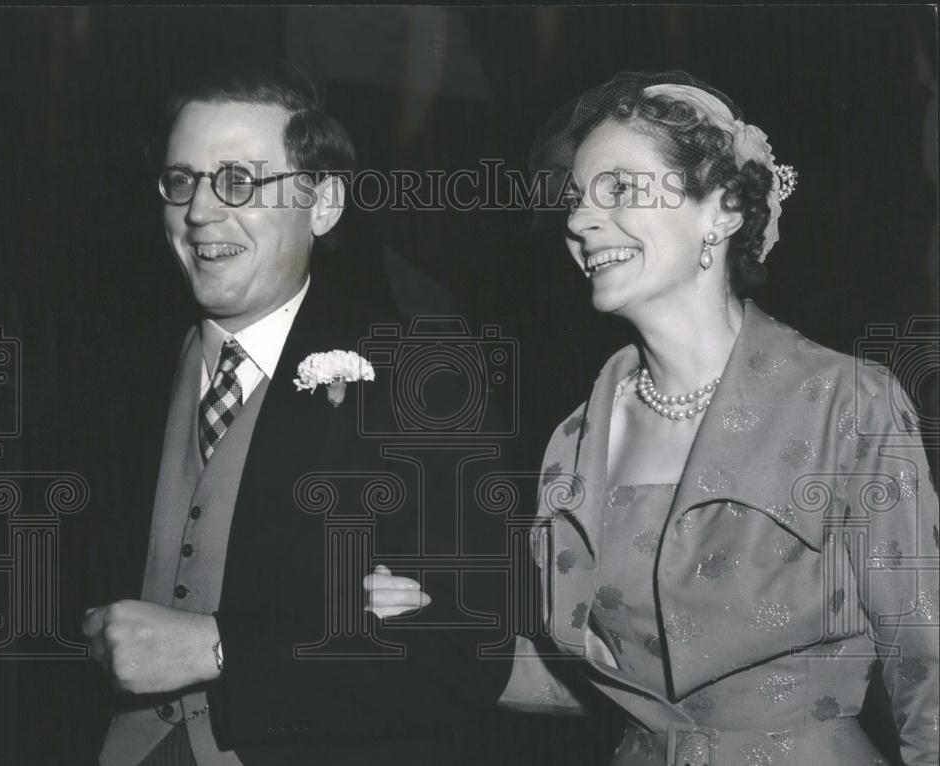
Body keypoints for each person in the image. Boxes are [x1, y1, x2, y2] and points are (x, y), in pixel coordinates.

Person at [368, 71, 939, 766]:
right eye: (576, 199)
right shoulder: (573, 444)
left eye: (620, 189)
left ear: (722, 208)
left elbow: (928, 671)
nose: (578, 220)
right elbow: (599, 688)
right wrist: (429, 630)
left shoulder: (845, 405)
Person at [82, 63, 510, 766]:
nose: (199, 212)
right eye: (182, 180)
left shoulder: (422, 381)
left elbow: (469, 652)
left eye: (240, 182)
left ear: (323, 204)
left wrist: (218, 648)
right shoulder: (109, 374)